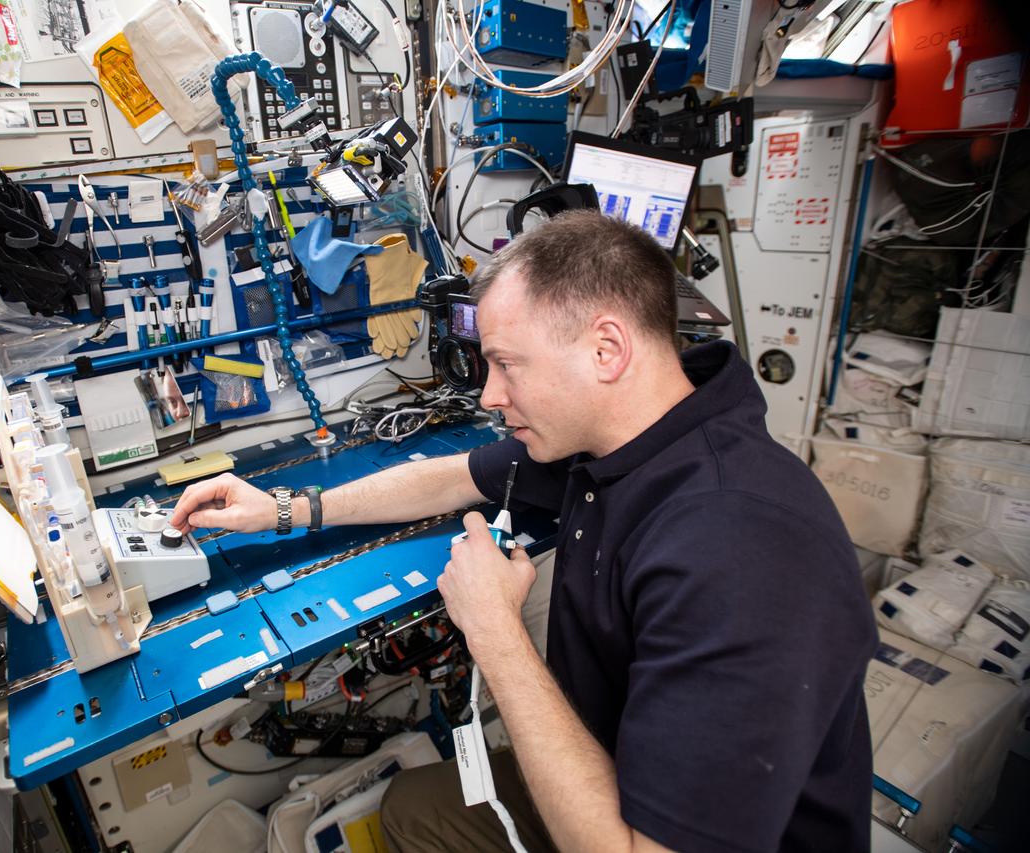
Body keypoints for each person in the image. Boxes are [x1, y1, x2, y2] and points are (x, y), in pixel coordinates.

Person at [168, 211, 877, 852]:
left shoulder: (742, 552)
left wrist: (494, 630)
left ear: (606, 350)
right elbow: (455, 475)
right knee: (413, 807)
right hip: (620, 758)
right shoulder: (620, 435)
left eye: (507, 364)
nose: (489, 395)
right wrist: (287, 509)